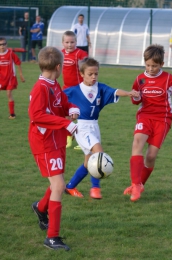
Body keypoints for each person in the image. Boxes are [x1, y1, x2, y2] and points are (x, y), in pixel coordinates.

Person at [63, 57, 139, 199]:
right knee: (99, 153)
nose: (93, 77)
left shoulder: (100, 88)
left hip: (94, 126)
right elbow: (57, 99)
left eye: (96, 74)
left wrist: (128, 93)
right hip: (82, 127)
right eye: (90, 74)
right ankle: (95, 188)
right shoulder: (74, 90)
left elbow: (115, 91)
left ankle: (70, 187)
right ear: (81, 74)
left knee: (88, 162)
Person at [29, 46, 80, 251]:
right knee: (59, 185)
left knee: (56, 180)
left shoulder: (54, 83)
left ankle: (40, 208)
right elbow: (36, 115)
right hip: (44, 142)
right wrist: (65, 123)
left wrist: (71, 108)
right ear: (58, 67)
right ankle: (52, 237)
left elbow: (61, 102)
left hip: (56, 139)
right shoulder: (40, 88)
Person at [123, 44, 172, 202]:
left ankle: (140, 184)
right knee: (137, 143)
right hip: (145, 116)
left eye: (154, 66)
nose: (151, 69)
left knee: (151, 156)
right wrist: (136, 97)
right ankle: (135, 184)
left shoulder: (167, 79)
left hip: (163, 118)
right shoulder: (140, 79)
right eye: (148, 65)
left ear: (162, 65)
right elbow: (135, 100)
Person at [61, 30, 88, 149]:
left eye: (72, 42)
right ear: (63, 43)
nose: (70, 44)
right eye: (67, 42)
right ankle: (68, 138)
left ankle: (83, 140)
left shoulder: (80, 54)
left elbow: (88, 68)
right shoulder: (60, 54)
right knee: (65, 114)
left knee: (81, 116)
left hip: (79, 89)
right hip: (66, 89)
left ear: (76, 42)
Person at [0, 37, 25, 119]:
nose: (2, 46)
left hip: (10, 78)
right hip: (1, 78)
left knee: (9, 94)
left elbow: (18, 63)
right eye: (0, 44)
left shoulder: (10, 53)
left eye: (4, 44)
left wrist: (21, 75)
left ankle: (12, 114)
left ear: (6, 44)